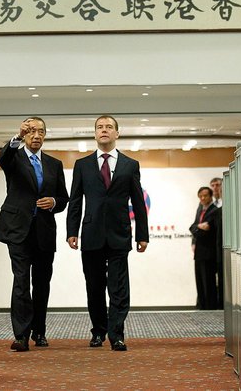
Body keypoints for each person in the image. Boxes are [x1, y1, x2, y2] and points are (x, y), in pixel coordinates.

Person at [66, 115, 149, 352]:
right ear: (95, 134)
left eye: (109, 127)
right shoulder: (82, 165)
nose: (104, 130)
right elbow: (75, 200)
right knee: (94, 286)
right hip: (90, 234)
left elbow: (138, 202)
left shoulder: (130, 165)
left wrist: (142, 234)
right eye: (100, 127)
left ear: (117, 134)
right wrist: (72, 231)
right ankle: (98, 331)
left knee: (118, 288)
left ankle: (117, 334)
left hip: (119, 234)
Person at [0, 117, 69, 352]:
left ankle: (39, 331)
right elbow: (2, 157)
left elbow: (64, 198)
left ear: (45, 135)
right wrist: (15, 137)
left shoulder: (54, 164)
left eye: (41, 132)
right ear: (25, 135)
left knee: (42, 283)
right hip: (18, 230)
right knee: (21, 281)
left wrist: (54, 201)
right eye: (32, 131)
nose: (36, 135)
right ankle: (21, 335)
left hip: (44, 231)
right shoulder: (14, 158)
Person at [189, 186, 220, 310]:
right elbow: (192, 227)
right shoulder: (200, 210)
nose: (202, 198)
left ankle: (209, 308)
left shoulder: (214, 210)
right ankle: (201, 307)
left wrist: (197, 228)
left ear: (210, 196)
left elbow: (203, 232)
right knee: (200, 282)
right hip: (199, 253)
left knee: (209, 283)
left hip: (209, 252)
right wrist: (198, 227)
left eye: (205, 195)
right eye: (200, 196)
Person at [209, 177, 224, 309]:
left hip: (222, 247)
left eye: (218, 185)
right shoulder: (209, 205)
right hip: (210, 248)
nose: (215, 188)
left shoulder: (226, 204)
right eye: (213, 185)